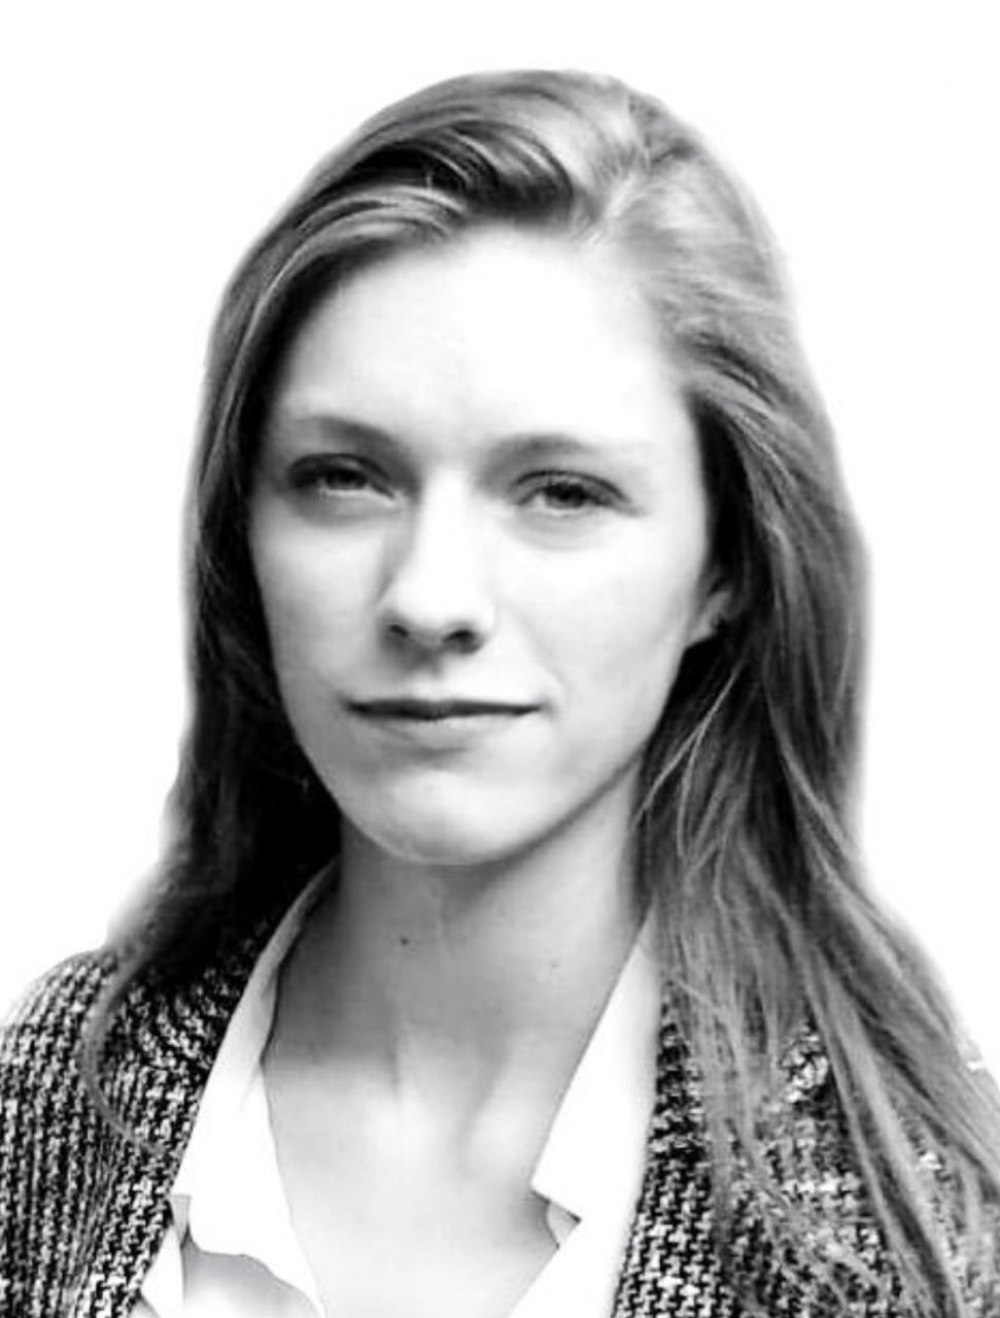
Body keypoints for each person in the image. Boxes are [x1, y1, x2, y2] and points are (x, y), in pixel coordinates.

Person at [1, 68, 997, 1318]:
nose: (428, 597)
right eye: (344, 476)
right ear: (239, 534)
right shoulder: (44, 1110)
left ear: (727, 567)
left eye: (562, 492)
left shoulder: (927, 1242)